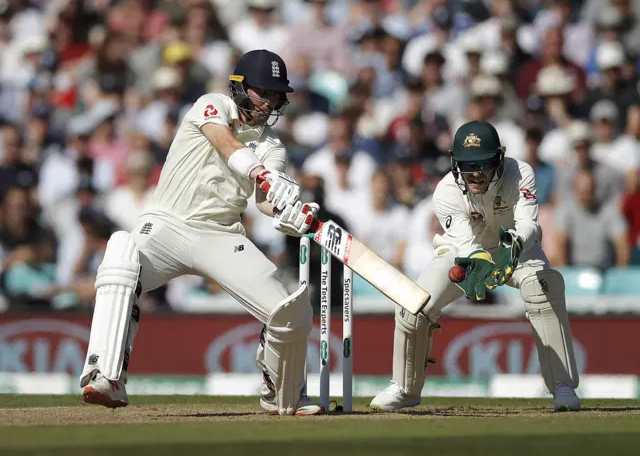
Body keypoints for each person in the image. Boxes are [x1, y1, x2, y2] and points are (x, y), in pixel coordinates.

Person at [78, 49, 324, 416]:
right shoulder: (211, 105)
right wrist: (261, 173)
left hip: (223, 235)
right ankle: (106, 376)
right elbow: (226, 144)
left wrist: (290, 209)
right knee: (121, 252)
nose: (270, 101)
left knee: (287, 311)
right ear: (239, 88)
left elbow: (264, 203)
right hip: (167, 225)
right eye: (263, 92)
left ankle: (282, 392)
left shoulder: (272, 145)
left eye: (276, 95)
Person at [370, 121, 581, 412]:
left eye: (483, 164)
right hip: (464, 251)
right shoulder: (445, 192)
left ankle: (562, 387)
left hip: (519, 249)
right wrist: (477, 269)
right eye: (468, 165)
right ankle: (404, 389)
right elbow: (468, 247)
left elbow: (528, 224)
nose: (476, 174)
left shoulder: (521, 173)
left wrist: (512, 245)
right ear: (455, 162)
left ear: (499, 158)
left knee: (542, 288)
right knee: (412, 305)